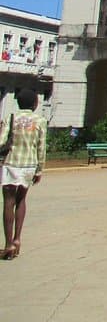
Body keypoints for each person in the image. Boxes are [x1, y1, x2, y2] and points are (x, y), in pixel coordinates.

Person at [1, 88, 48, 260]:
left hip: (11, 164)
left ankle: (8, 244)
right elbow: (41, 147)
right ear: (35, 103)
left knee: (8, 202)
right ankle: (18, 239)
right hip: (29, 165)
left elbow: (1, 140)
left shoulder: (10, 118)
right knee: (21, 200)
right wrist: (40, 168)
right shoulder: (40, 121)